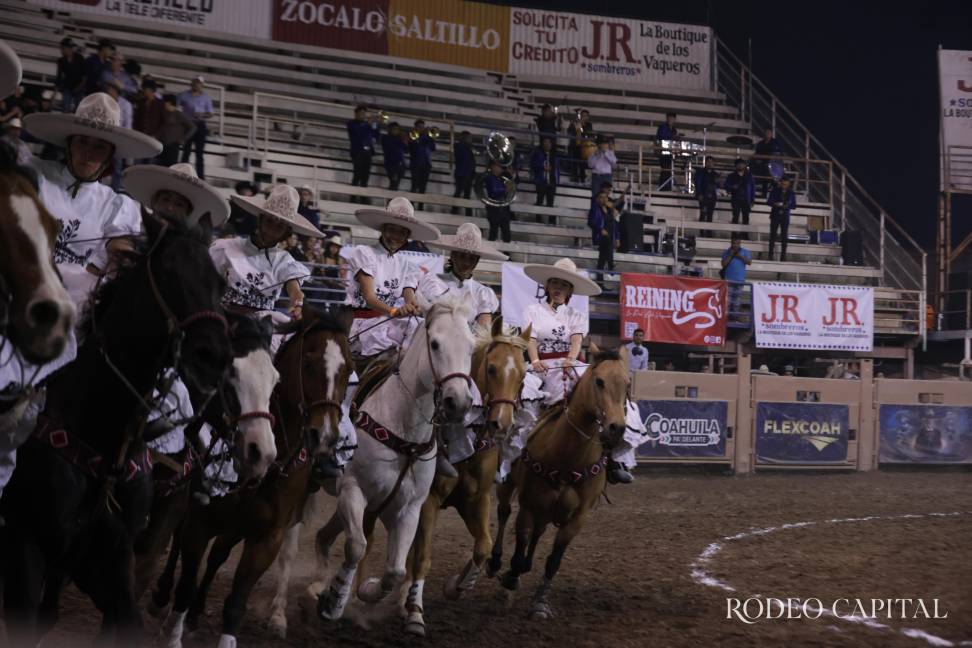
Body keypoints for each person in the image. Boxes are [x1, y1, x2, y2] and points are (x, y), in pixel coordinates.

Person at [507, 258, 642, 484]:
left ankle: (614, 460)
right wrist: (536, 360)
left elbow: (577, 341)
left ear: (570, 290)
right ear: (548, 286)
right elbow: (529, 339)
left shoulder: (576, 315)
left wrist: (570, 358)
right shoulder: (532, 310)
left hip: (570, 363)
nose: (559, 288)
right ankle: (514, 456)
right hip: (541, 364)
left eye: (565, 284)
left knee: (611, 394)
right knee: (522, 396)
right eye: (556, 283)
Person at [22, 92, 162, 305]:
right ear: (69, 145)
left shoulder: (116, 206)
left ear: (109, 156)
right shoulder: (36, 174)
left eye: (99, 146)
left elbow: (115, 257)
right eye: (82, 142)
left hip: (71, 311)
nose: (88, 153)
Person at [427, 222, 507, 475]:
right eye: (462, 255)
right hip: (439, 346)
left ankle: (499, 448)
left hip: (467, 349)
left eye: (471, 257)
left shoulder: (483, 293)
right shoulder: (434, 282)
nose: (466, 261)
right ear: (453, 255)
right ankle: (436, 445)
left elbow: (482, 330)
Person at [213, 183, 321, 320]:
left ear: (286, 233)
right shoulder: (227, 247)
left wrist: (297, 299)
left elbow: (293, 287)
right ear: (260, 220)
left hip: (264, 322)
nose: (272, 230)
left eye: (280, 226)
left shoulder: (284, 260)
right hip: (225, 315)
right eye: (269, 221)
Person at [123, 161, 230, 233]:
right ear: (153, 202)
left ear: (187, 213)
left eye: (179, 204)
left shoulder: (189, 251)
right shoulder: (131, 231)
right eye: (165, 199)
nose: (170, 208)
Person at [177, 76, 213, 179]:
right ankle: (181, 174)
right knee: (186, 151)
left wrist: (202, 114)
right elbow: (176, 106)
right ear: (192, 83)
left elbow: (210, 113)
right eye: (195, 83)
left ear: (202, 85)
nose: (197, 85)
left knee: (199, 153)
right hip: (188, 124)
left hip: (200, 124)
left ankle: (201, 177)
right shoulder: (184, 95)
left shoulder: (206, 97)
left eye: (199, 83)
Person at [103, 79, 133, 189]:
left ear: (116, 91)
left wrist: (126, 140)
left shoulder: (126, 104)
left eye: (110, 89)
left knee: (117, 166)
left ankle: (114, 189)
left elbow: (128, 123)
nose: (108, 91)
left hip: (119, 137)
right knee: (102, 162)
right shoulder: (105, 102)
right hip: (105, 135)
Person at [346, 105, 379, 201]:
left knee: (366, 176)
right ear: (356, 114)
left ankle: (363, 198)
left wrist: (375, 124)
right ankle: (353, 197)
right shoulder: (351, 123)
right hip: (357, 152)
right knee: (357, 175)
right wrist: (368, 123)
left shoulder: (367, 124)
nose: (363, 115)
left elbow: (376, 136)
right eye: (361, 114)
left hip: (368, 152)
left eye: (364, 114)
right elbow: (356, 132)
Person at [157, 93, 196, 167]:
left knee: (170, 167)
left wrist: (183, 139)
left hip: (173, 145)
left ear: (169, 103)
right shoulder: (164, 113)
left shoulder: (179, 114)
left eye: (164, 102)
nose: (163, 104)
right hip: (162, 144)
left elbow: (193, 127)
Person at [721, 233, 752, 323]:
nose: (736, 245)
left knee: (737, 302)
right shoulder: (726, 252)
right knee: (728, 301)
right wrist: (730, 255)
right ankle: (726, 319)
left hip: (740, 281)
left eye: (738, 243)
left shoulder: (745, 252)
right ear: (731, 243)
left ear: (740, 243)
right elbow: (723, 264)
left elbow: (749, 262)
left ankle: (734, 319)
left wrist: (740, 257)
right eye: (734, 243)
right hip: (728, 280)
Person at [588, 190, 620, 273]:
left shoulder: (610, 210)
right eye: (601, 197)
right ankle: (611, 264)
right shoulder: (595, 209)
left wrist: (617, 238)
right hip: (600, 237)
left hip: (610, 236)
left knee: (601, 259)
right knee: (607, 243)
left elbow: (615, 225)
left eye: (605, 197)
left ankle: (601, 278)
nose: (604, 199)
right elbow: (590, 222)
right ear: (598, 199)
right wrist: (600, 229)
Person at [767, 175, 797, 262]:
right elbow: (769, 201)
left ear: (789, 183)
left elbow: (794, 205)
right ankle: (770, 255)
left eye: (785, 182)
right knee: (772, 235)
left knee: (784, 236)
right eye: (782, 182)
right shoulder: (775, 190)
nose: (784, 183)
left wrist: (787, 206)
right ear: (780, 182)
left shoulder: (791, 193)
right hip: (775, 214)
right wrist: (775, 204)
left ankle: (783, 256)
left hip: (785, 216)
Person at [133, 78, 164, 161]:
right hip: (140, 137)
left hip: (153, 138)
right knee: (138, 160)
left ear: (151, 90)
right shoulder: (141, 102)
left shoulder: (160, 103)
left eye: (145, 88)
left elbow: (164, 122)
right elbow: (136, 119)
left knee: (150, 161)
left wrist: (157, 135)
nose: (144, 90)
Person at [55, 37, 86, 113]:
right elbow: (59, 77)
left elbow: (85, 76)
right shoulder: (61, 61)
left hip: (79, 86)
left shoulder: (80, 58)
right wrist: (55, 92)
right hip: (68, 87)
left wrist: (80, 87)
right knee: (65, 108)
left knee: (79, 109)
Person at [484, 159, 511, 243]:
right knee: (493, 233)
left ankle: (506, 254)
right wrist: (505, 189)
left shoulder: (502, 178)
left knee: (507, 234)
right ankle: (490, 253)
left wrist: (512, 175)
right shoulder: (489, 177)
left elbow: (515, 182)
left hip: (504, 208)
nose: (500, 168)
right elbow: (493, 191)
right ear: (492, 167)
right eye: (498, 166)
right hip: (494, 209)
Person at [723, 158, 755, 229]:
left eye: (742, 164)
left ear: (745, 165)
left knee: (746, 217)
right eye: (738, 164)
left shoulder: (749, 176)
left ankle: (745, 235)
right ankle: (734, 235)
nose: (740, 166)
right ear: (735, 166)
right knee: (735, 217)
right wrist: (732, 187)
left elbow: (753, 188)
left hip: (746, 199)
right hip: (736, 199)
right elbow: (726, 185)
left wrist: (752, 200)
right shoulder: (731, 176)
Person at [408, 119, 435, 201]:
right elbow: (414, 146)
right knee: (414, 185)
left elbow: (433, 148)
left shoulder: (427, 137)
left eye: (423, 127)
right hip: (416, 163)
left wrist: (429, 137)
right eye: (420, 127)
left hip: (426, 164)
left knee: (423, 186)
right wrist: (424, 135)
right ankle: (411, 205)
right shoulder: (412, 135)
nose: (422, 129)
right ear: (415, 127)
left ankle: (421, 206)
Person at [531, 137, 558, 214]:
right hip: (541, 181)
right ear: (542, 144)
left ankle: (551, 222)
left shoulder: (553, 155)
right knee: (539, 200)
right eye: (545, 142)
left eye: (549, 142)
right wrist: (542, 167)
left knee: (550, 202)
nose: (547, 144)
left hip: (551, 181)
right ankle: (538, 220)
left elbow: (556, 168)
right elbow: (533, 164)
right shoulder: (538, 154)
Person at [753, 128, 783, 196]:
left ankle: (777, 193)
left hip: (773, 164)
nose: (767, 134)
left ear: (772, 134)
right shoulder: (761, 143)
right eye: (766, 132)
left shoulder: (775, 142)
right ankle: (764, 193)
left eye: (769, 133)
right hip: (762, 163)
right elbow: (757, 152)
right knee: (764, 176)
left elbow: (777, 153)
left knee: (770, 178)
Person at [452, 130, 475, 216]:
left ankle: (468, 213)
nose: (470, 140)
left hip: (468, 174)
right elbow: (462, 158)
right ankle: (454, 210)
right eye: (469, 138)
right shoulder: (459, 146)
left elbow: (472, 161)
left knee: (467, 194)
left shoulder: (469, 148)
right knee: (459, 192)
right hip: (461, 173)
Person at [567, 109, 593, 183]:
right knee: (574, 163)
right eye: (582, 116)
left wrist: (581, 127)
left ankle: (582, 179)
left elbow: (588, 134)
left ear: (588, 117)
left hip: (584, 147)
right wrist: (573, 126)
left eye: (585, 116)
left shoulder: (589, 125)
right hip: (574, 146)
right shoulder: (574, 123)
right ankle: (574, 179)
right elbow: (569, 132)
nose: (583, 117)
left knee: (582, 164)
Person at [695, 156, 718, 237]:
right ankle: (701, 231)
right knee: (703, 213)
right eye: (708, 162)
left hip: (712, 197)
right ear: (705, 163)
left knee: (710, 215)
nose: (710, 164)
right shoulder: (700, 172)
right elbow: (698, 184)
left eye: (711, 162)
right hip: (703, 196)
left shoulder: (715, 174)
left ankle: (709, 232)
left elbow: (717, 185)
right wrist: (699, 194)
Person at [381, 121, 407, 191]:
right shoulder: (386, 138)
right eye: (394, 129)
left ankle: (392, 200)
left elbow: (406, 150)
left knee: (396, 184)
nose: (396, 131)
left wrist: (405, 141)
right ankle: (391, 200)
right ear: (389, 129)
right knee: (393, 184)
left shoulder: (400, 139)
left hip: (401, 165)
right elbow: (390, 147)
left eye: (397, 129)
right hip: (391, 165)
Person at [656, 111, 679, 189]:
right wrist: (673, 137)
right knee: (665, 169)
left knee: (669, 169)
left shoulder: (674, 130)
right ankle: (663, 187)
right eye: (669, 118)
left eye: (672, 118)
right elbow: (662, 137)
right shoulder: (662, 127)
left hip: (670, 152)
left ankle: (668, 186)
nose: (671, 120)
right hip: (663, 151)